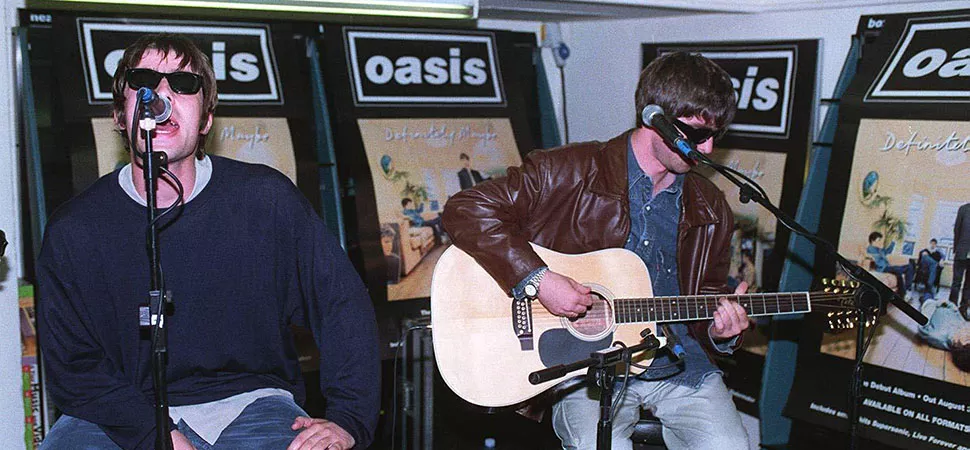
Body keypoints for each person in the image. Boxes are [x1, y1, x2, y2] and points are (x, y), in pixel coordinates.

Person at [36, 34, 379, 450]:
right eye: (143, 80)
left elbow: (341, 303)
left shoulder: (265, 200)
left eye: (182, 85)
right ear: (119, 116)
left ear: (205, 120)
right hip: (118, 413)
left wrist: (349, 420)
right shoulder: (75, 229)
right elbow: (71, 365)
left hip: (252, 406)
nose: (160, 95)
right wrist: (154, 435)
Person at [443, 52, 750, 450]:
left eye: (716, 136)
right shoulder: (567, 170)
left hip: (678, 366)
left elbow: (705, 296)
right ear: (653, 118)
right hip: (585, 368)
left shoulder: (710, 207)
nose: (706, 148)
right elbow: (465, 209)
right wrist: (539, 279)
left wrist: (720, 331)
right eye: (693, 134)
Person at [917, 299, 970, 372]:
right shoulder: (960, 330)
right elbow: (956, 313)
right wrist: (949, 304)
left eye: (967, 339)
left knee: (928, 294)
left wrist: (935, 303)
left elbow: (922, 323)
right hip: (944, 304)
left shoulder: (938, 336)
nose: (968, 333)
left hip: (930, 304)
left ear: (957, 346)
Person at [866, 231, 915, 296]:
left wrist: (893, 241)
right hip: (883, 268)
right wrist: (881, 251)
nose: (880, 242)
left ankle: (904, 292)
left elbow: (888, 251)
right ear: (872, 240)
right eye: (878, 240)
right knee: (905, 269)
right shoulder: (871, 249)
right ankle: (906, 291)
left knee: (905, 270)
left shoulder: (878, 249)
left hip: (887, 267)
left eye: (880, 240)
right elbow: (877, 260)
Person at [952, 203, 970, 319]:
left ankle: (963, 308)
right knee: (956, 282)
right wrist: (956, 248)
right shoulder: (963, 209)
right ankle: (951, 307)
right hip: (962, 251)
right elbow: (957, 229)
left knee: (969, 284)